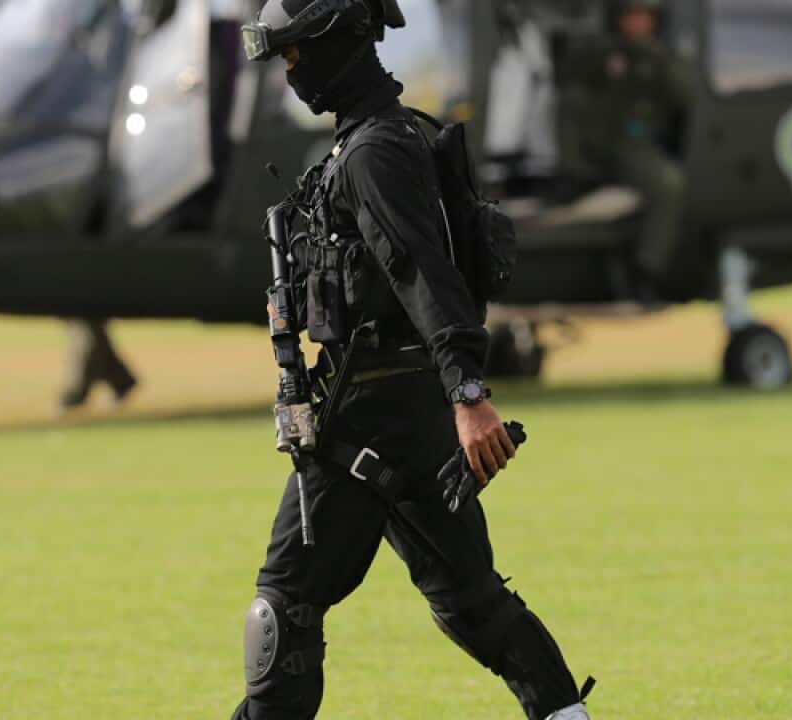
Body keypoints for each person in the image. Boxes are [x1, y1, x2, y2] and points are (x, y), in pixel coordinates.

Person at [230, 1, 592, 718]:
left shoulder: (373, 154)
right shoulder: (378, 140)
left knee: (285, 609)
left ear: (338, 43)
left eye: (298, 54)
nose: (292, 73)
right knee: (473, 604)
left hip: (373, 417)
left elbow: (423, 273)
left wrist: (469, 391)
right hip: (412, 412)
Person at [555, 0, 691, 292]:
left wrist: (658, 60)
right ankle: (573, 176)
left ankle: (646, 269)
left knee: (670, 185)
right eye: (632, 16)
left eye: (645, 17)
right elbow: (568, 77)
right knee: (571, 101)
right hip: (604, 145)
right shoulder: (606, 52)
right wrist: (610, 52)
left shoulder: (660, 57)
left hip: (640, 145)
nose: (639, 24)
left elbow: (685, 94)